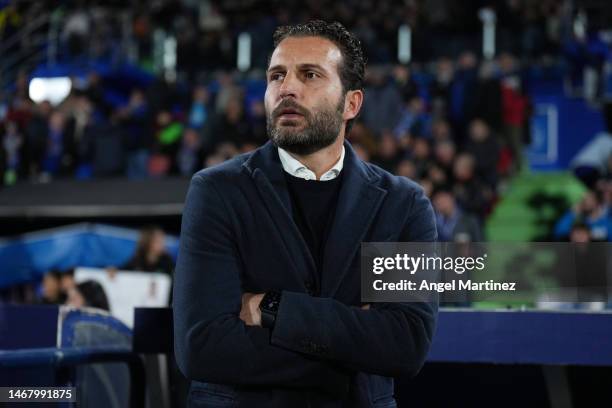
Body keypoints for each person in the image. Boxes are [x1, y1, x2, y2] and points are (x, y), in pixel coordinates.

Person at [173, 20, 438, 408]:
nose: (287, 88)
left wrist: (273, 307)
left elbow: (406, 345)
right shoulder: (217, 191)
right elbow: (203, 346)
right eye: (276, 75)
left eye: (309, 75)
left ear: (352, 103)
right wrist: (351, 355)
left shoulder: (403, 204)